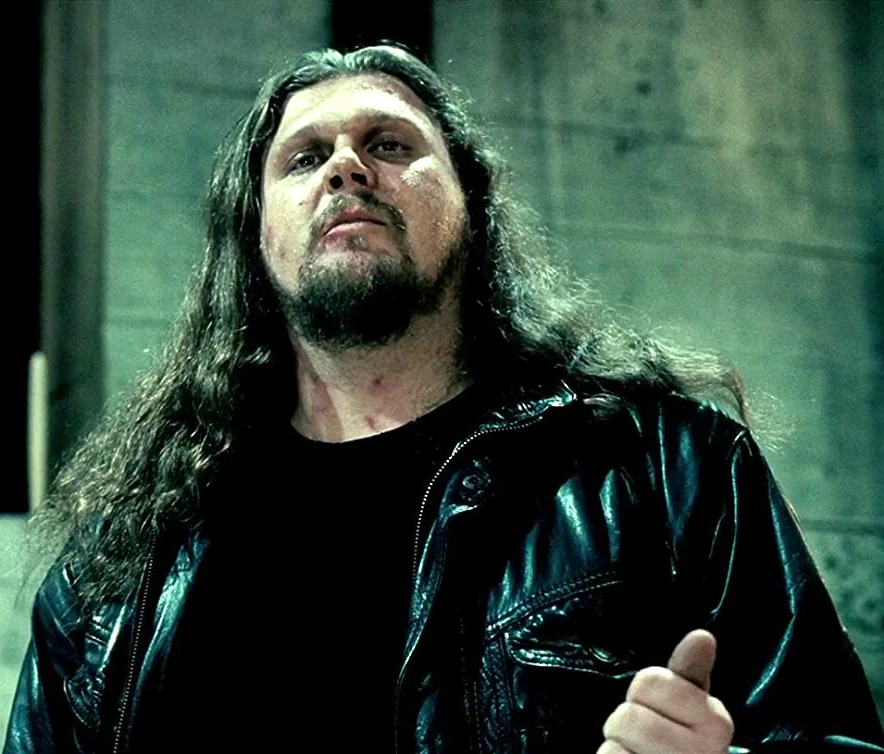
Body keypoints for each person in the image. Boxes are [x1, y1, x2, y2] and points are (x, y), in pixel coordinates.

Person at [4, 43, 883, 754]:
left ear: (472, 206)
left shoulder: (664, 468)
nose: (347, 168)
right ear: (255, 233)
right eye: (305, 157)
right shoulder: (126, 559)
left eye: (390, 145)